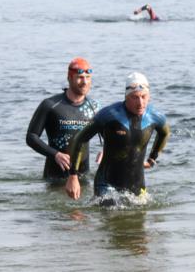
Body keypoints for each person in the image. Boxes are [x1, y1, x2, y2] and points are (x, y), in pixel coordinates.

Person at [65, 72, 169, 201]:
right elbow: (79, 139)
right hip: (106, 184)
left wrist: (152, 158)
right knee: (111, 207)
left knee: (140, 213)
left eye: (144, 96)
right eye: (135, 97)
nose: (140, 102)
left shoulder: (154, 116)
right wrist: (73, 176)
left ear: (149, 96)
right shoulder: (108, 115)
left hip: (137, 185)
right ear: (126, 97)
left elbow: (165, 133)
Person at [26, 58, 101, 181]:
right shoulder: (50, 105)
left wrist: (106, 151)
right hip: (54, 179)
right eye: (80, 77)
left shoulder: (94, 107)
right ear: (69, 78)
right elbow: (31, 137)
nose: (85, 82)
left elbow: (109, 136)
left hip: (83, 179)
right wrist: (55, 154)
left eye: (88, 77)